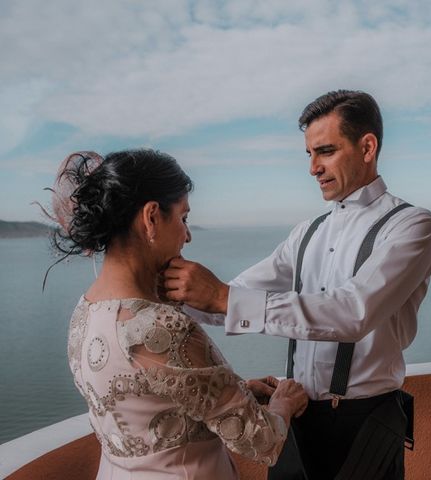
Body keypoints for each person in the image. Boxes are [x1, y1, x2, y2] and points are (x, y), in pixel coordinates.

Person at [163, 90, 431, 479]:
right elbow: (230, 296)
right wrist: (160, 298)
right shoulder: (306, 232)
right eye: (309, 154)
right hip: (293, 416)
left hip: (365, 420)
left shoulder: (412, 226)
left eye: (325, 151)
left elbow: (353, 312)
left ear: (367, 147)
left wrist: (223, 297)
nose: (313, 167)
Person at [51, 149, 307, 479]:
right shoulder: (163, 327)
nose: (187, 235)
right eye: (183, 218)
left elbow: (145, 393)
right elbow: (261, 441)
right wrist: (283, 402)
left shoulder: (84, 310)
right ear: (152, 217)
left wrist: (235, 388)